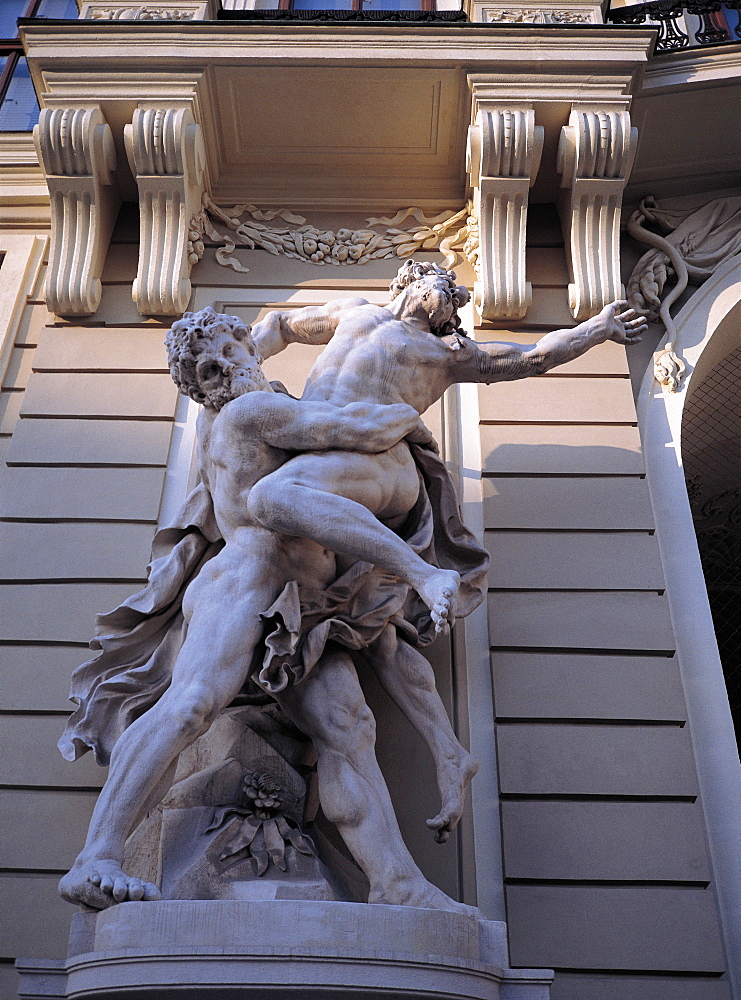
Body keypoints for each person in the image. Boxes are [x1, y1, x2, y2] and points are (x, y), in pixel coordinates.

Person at [58, 307, 483, 911]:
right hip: (247, 579)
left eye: (231, 352)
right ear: (199, 385)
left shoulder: (254, 396)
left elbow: (278, 327)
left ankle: (398, 884)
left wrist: (282, 334)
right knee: (190, 706)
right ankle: (95, 857)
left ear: (247, 350)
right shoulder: (251, 411)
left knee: (349, 731)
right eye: (207, 369)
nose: (224, 368)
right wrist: (418, 386)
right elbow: (357, 430)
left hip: (305, 603)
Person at [246, 260, 647, 629]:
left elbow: (534, 356)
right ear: (415, 278)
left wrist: (597, 329)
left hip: (379, 459)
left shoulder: (447, 352)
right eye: (451, 289)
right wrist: (245, 362)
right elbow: (281, 323)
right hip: (314, 443)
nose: (458, 300)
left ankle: (426, 576)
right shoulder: (353, 310)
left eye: (457, 304)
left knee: (269, 496)